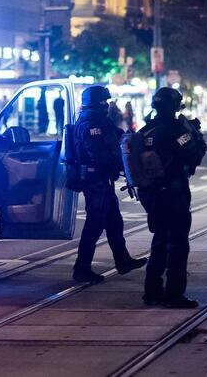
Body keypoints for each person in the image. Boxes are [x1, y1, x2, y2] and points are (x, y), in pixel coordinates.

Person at [73, 85, 146, 283]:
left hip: (102, 179)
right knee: (95, 224)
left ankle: (123, 261)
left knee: (114, 222)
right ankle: (81, 269)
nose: (106, 105)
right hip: (94, 179)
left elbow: (119, 136)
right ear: (93, 103)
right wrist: (118, 162)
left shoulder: (101, 120)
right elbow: (96, 154)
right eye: (102, 101)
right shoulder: (89, 123)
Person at [139, 87, 201, 308]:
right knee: (177, 244)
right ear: (175, 106)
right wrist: (194, 133)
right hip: (173, 193)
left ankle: (152, 291)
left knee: (160, 240)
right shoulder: (175, 129)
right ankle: (174, 294)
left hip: (152, 194)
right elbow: (194, 154)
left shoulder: (147, 128)